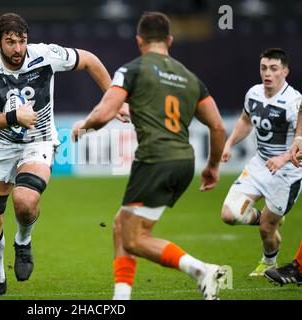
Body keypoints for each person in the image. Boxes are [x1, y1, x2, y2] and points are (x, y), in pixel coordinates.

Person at [0, 12, 127, 297]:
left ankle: (23, 241)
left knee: (25, 199)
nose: (18, 49)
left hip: (39, 141)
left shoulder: (44, 55)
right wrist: (14, 116)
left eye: (22, 41)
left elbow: (89, 59)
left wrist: (113, 101)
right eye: (10, 42)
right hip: (0, 145)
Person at [72, 11, 227, 300]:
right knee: (122, 224)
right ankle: (121, 297)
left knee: (134, 240)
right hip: (185, 162)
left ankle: (202, 270)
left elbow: (105, 112)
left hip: (155, 160)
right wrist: (213, 166)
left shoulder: (133, 69)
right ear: (169, 40)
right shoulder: (190, 77)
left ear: (138, 40)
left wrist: (85, 126)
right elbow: (217, 126)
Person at [220, 48, 302, 277]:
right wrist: (229, 143)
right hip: (259, 165)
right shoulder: (254, 93)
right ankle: (267, 217)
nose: (267, 73)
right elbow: (246, 120)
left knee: (267, 229)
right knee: (229, 215)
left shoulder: (294, 102)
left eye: (274, 68)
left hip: (287, 173)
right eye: (264, 68)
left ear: (285, 71)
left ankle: (268, 262)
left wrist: (284, 157)